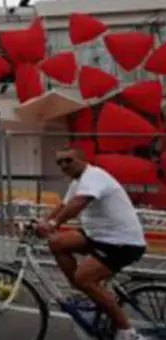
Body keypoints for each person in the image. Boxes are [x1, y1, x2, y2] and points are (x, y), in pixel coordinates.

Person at [36, 146, 147, 340]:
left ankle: (127, 332)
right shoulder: (77, 182)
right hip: (99, 236)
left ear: (81, 158)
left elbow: (78, 203)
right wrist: (42, 221)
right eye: (59, 162)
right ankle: (85, 290)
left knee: (84, 278)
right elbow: (64, 205)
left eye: (68, 160)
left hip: (121, 242)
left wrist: (53, 223)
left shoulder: (93, 176)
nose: (63, 165)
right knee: (57, 243)